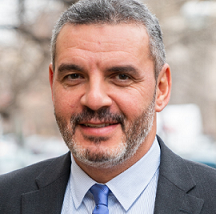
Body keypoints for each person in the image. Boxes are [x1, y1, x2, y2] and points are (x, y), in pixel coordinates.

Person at [1, 0, 216, 213]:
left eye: (121, 76)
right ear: (52, 84)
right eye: (74, 76)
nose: (94, 100)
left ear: (161, 89)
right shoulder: (6, 198)